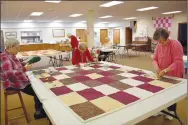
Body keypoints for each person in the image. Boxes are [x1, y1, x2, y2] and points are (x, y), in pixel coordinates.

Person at [0, 38, 46, 120]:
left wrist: (23, 63)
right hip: (13, 83)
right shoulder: (4, 57)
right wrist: (24, 68)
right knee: (38, 90)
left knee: (38, 85)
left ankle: (40, 109)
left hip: (17, 80)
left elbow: (14, 65)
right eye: (17, 48)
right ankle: (39, 112)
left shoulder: (10, 55)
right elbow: (9, 74)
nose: (18, 50)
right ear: (10, 47)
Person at [152, 28, 184, 120]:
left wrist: (166, 70)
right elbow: (154, 59)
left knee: (172, 93)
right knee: (160, 91)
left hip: (174, 73)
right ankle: (160, 109)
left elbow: (177, 61)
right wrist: (157, 68)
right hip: (162, 73)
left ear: (167, 38)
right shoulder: (158, 45)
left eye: (161, 41)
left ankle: (171, 111)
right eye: (158, 42)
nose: (159, 43)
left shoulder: (175, 44)